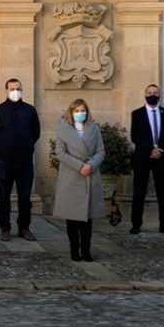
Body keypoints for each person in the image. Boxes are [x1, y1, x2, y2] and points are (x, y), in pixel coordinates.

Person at [0, 78, 41, 241]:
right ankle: (5, 227)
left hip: (25, 162)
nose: (15, 91)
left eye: (18, 88)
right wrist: (2, 149)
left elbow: (35, 133)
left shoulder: (30, 111)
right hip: (4, 161)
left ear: (21, 90)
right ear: (6, 90)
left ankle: (24, 227)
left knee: (25, 197)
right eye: (12, 88)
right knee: (4, 196)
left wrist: (26, 145)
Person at [53, 99, 105, 262]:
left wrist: (90, 164)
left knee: (86, 219)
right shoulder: (63, 128)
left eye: (83, 110)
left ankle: (86, 250)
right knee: (73, 218)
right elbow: (61, 153)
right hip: (72, 176)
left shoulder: (94, 128)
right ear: (71, 112)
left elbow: (101, 151)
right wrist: (79, 165)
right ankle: (74, 250)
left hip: (89, 174)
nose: (80, 113)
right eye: (77, 111)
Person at [129, 84, 164, 235]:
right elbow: (135, 136)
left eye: (155, 92)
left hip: (162, 157)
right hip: (143, 157)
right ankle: (136, 224)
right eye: (149, 92)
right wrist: (151, 149)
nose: (152, 95)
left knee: (163, 192)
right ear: (145, 95)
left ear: (159, 95)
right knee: (139, 192)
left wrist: (160, 149)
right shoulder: (137, 114)